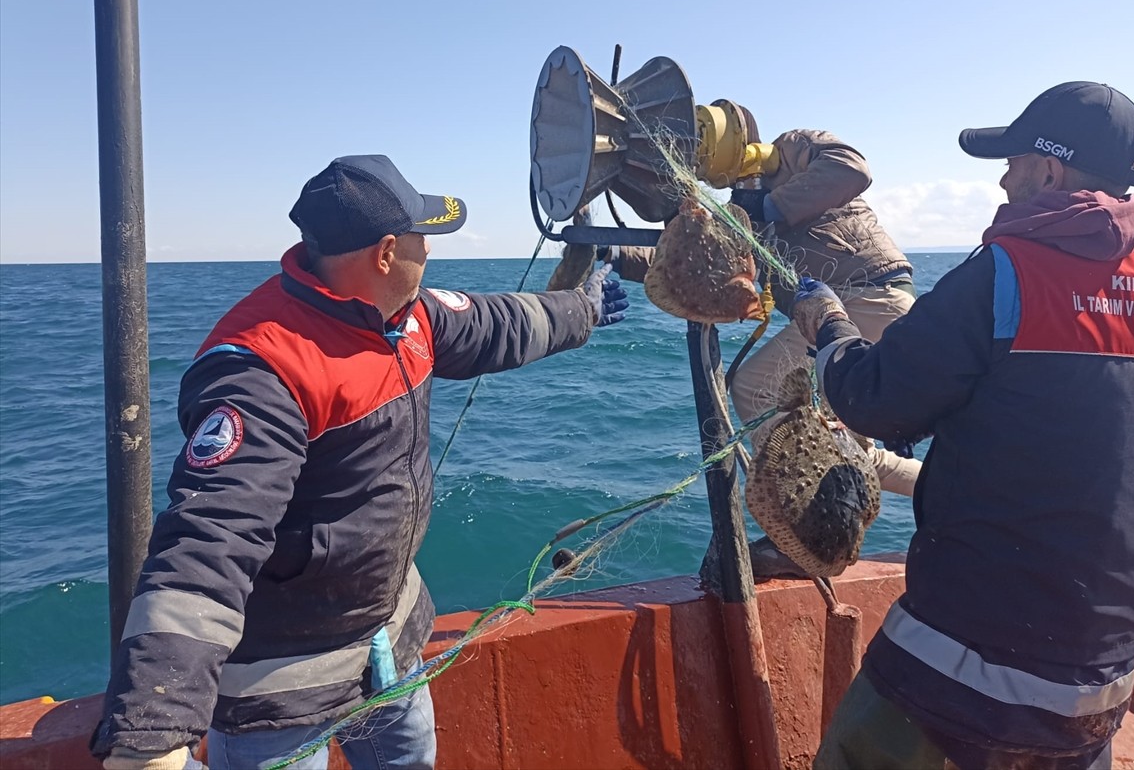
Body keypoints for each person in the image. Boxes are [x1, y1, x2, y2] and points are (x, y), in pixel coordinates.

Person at [92, 155, 629, 770]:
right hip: (284, 690)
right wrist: (152, 729)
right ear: (384, 252)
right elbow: (210, 538)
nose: (429, 251)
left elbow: (495, 324)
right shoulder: (262, 371)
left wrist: (582, 307)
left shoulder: (409, 317)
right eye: (422, 238)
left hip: (389, 645)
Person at [791, 82, 1134, 769]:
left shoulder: (1005, 271)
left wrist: (829, 325)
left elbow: (870, 398)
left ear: (1050, 170)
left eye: (1012, 162)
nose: (1004, 181)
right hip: (1096, 698)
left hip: (962, 677)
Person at [599, 111, 922, 570]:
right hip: (851, 309)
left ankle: (802, 537)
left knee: (755, 387)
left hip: (865, 296)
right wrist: (611, 251)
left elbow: (852, 168)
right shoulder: (739, 210)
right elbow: (702, 259)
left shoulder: (793, 151)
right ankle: (962, 489)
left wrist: (768, 208)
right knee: (852, 448)